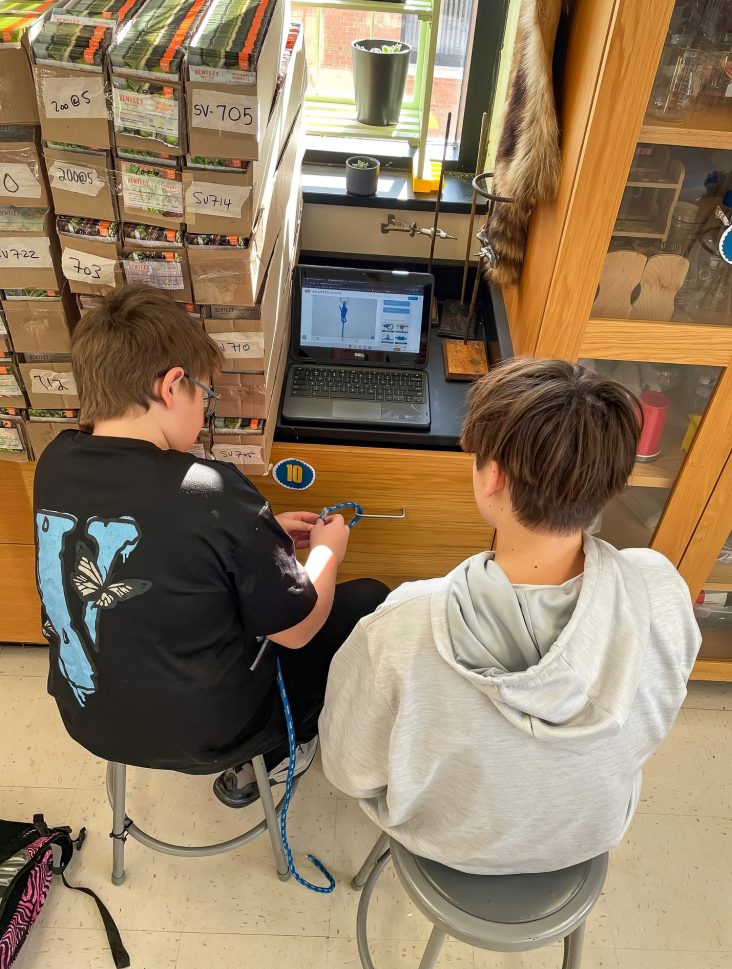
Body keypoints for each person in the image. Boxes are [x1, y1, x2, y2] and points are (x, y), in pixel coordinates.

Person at [319, 358, 701, 874]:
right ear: (609, 480)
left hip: (445, 841)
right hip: (587, 834)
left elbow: (348, 769)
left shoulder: (404, 624)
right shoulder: (660, 589)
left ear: (492, 476)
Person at [33, 284, 388, 807]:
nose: (205, 412)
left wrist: (260, 537)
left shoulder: (54, 460)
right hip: (213, 735)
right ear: (173, 385)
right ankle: (280, 750)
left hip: (86, 716)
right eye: (207, 395)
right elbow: (298, 629)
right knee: (368, 600)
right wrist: (328, 550)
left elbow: (172, 548)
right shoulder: (212, 489)